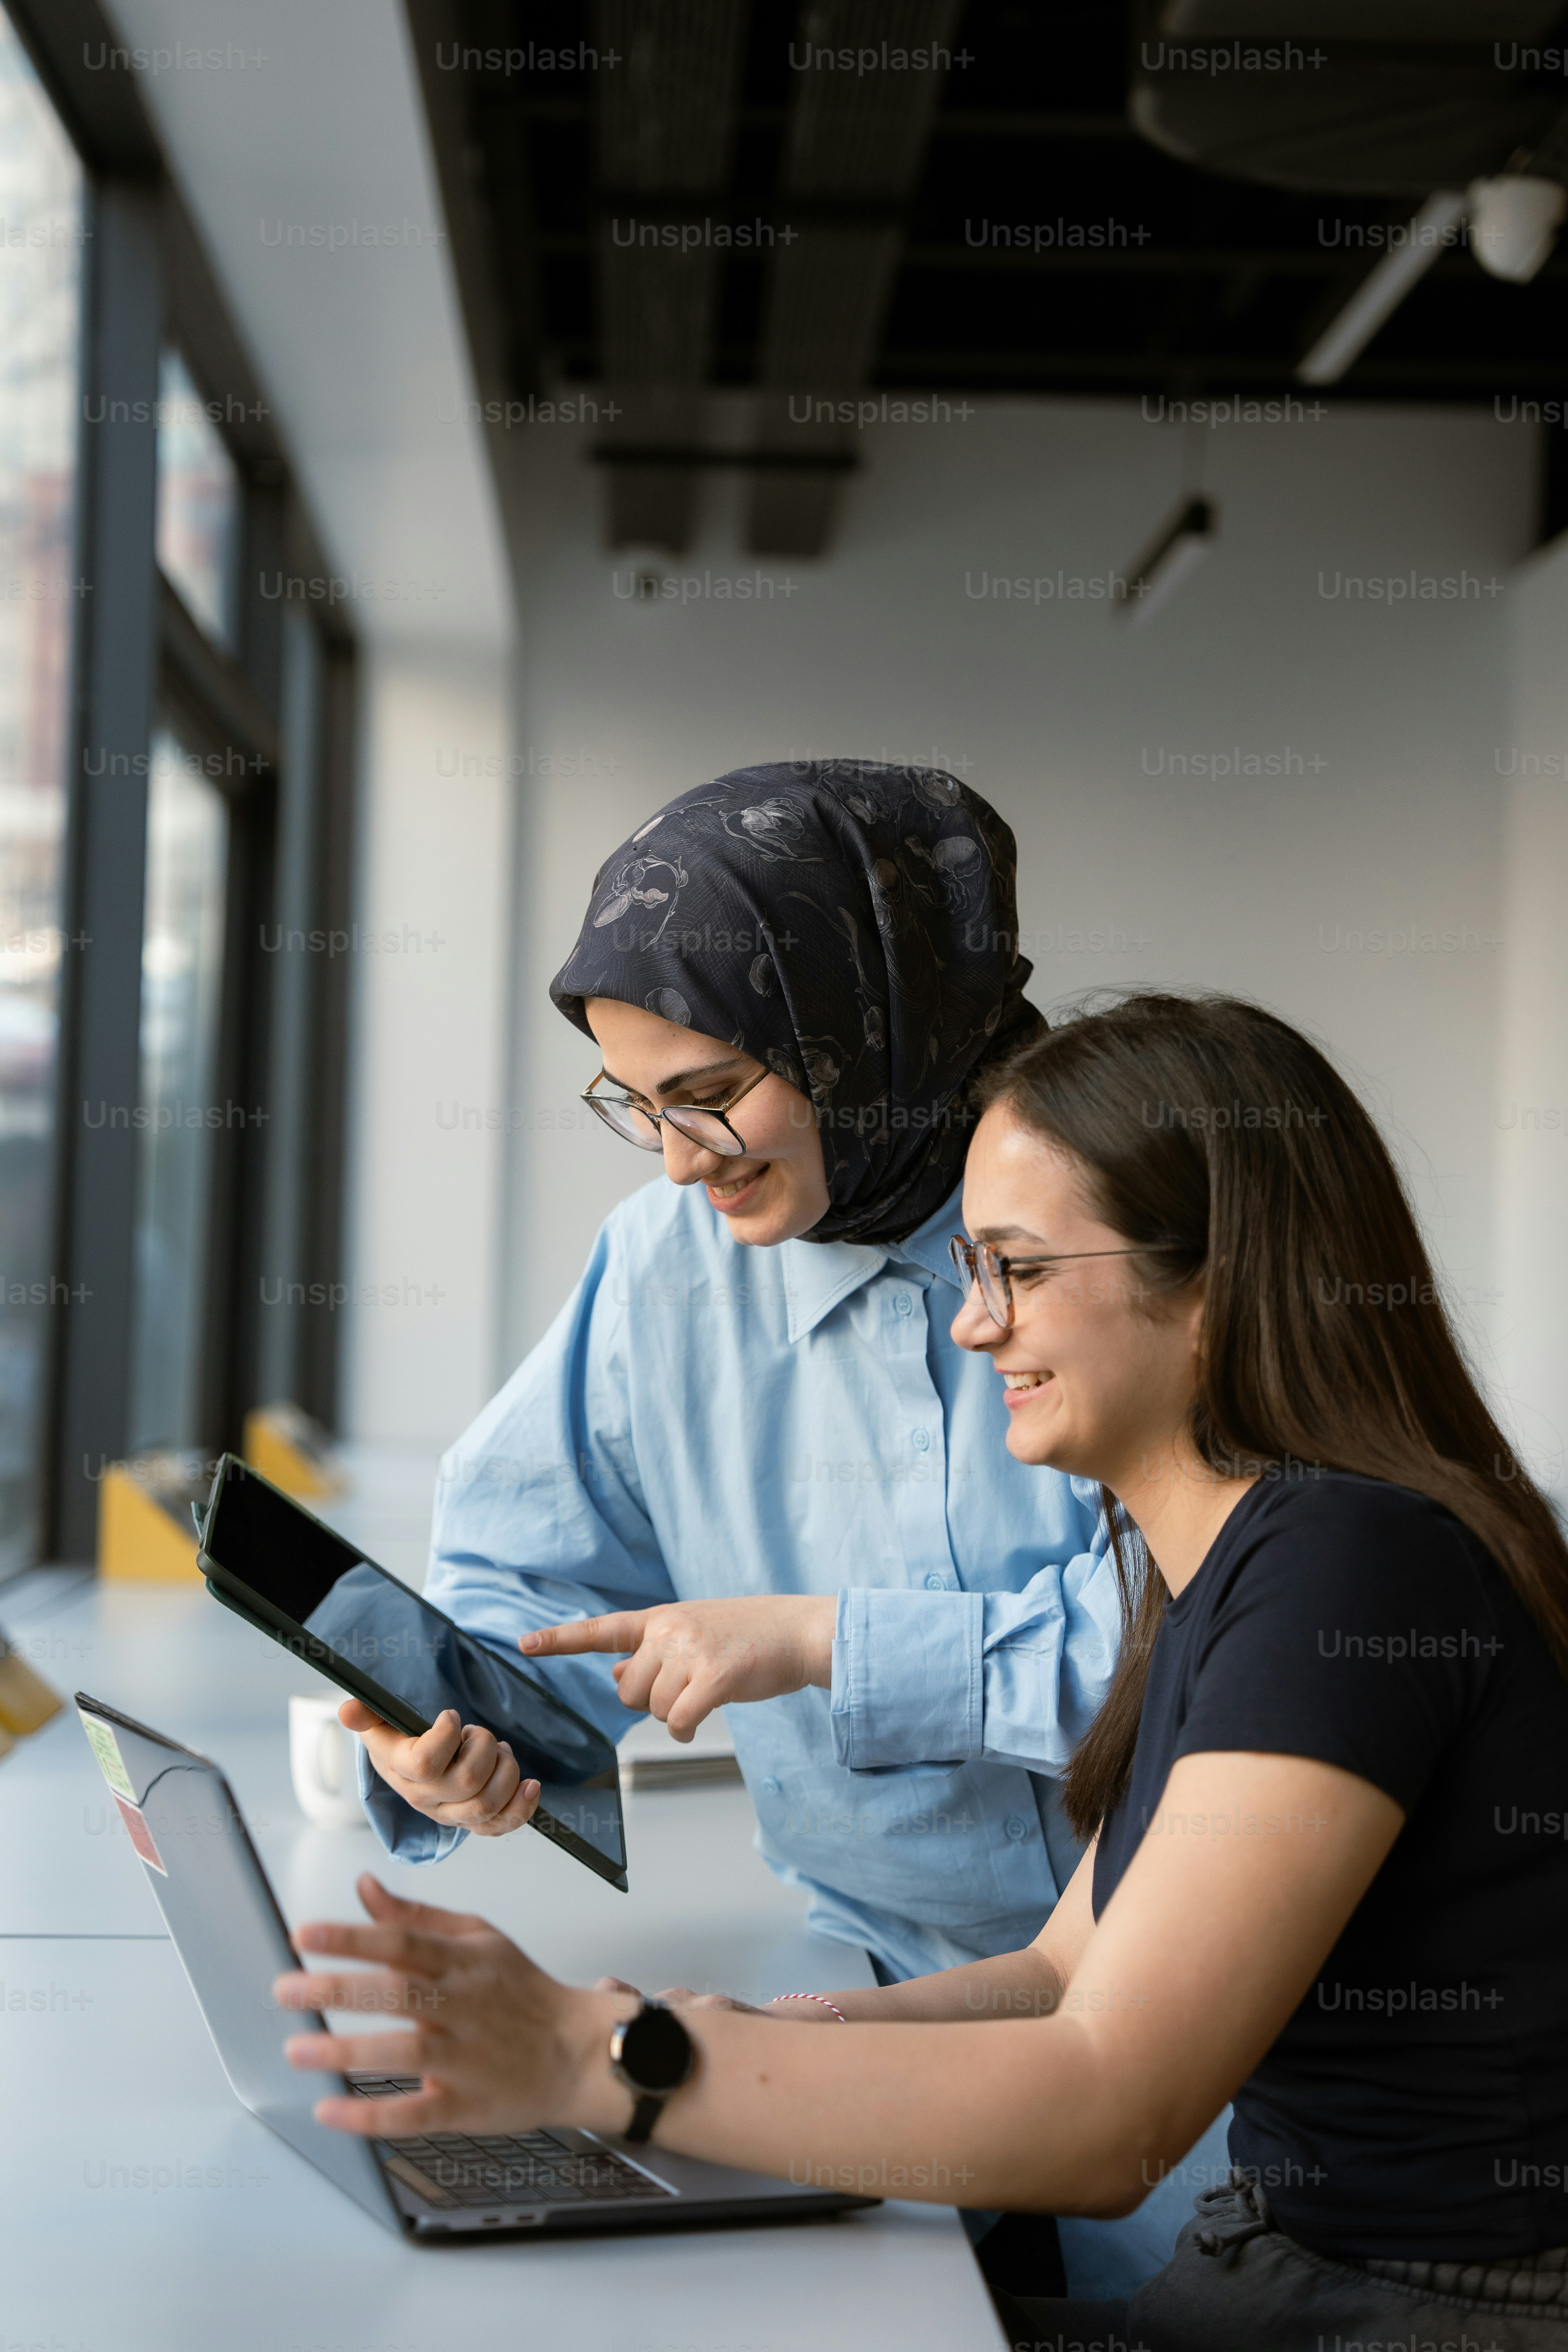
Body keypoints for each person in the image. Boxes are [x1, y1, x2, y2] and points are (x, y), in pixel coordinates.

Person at [282, 992, 1568, 2352]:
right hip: (1299, 2277)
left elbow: (1107, 2112)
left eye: (1017, 1270)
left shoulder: (1346, 1570)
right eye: (970, 1269)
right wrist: (734, 2034)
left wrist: (591, 2060)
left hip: (1411, 2311)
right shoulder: (1229, 1562)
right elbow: (1059, 1971)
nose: (969, 1328)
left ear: (1211, 1286)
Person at [338, 759, 1222, 2292]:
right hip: (861, 1986)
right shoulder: (663, 1267)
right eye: (637, 1105)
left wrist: (820, 1642)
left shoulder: (1102, 1234)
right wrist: (469, 1724)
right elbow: (524, 1570)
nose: (681, 1161)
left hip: (1189, 2005)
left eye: (710, 1095)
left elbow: (1211, 1654)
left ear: (857, 1024)